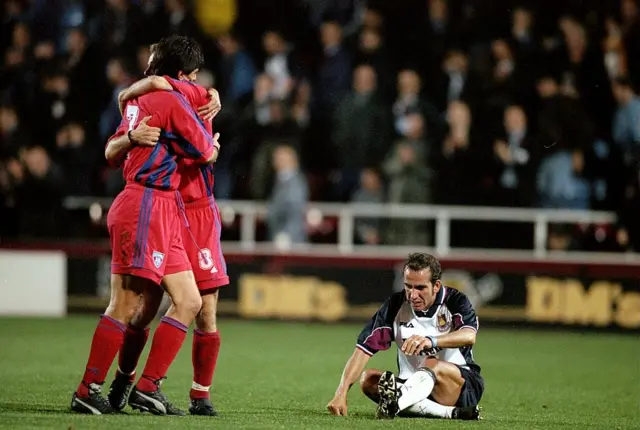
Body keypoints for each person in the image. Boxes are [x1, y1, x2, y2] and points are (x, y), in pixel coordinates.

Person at [71, 36, 219, 416]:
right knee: (126, 302)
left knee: (189, 300)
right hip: (145, 203)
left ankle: (148, 387)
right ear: (184, 74)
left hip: (165, 206)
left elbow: (110, 147)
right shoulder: (169, 100)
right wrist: (215, 144)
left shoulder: (138, 98)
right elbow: (204, 151)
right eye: (195, 76)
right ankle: (87, 389)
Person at [326, 252, 483, 420]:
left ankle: (396, 404)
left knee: (432, 364)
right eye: (409, 286)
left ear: (436, 286)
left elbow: (468, 335)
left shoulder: (456, 301)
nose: (413, 295)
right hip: (414, 387)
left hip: (461, 386)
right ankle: (452, 414)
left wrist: (431, 341)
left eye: (420, 288)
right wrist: (340, 393)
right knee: (368, 380)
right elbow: (363, 349)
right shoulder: (395, 306)